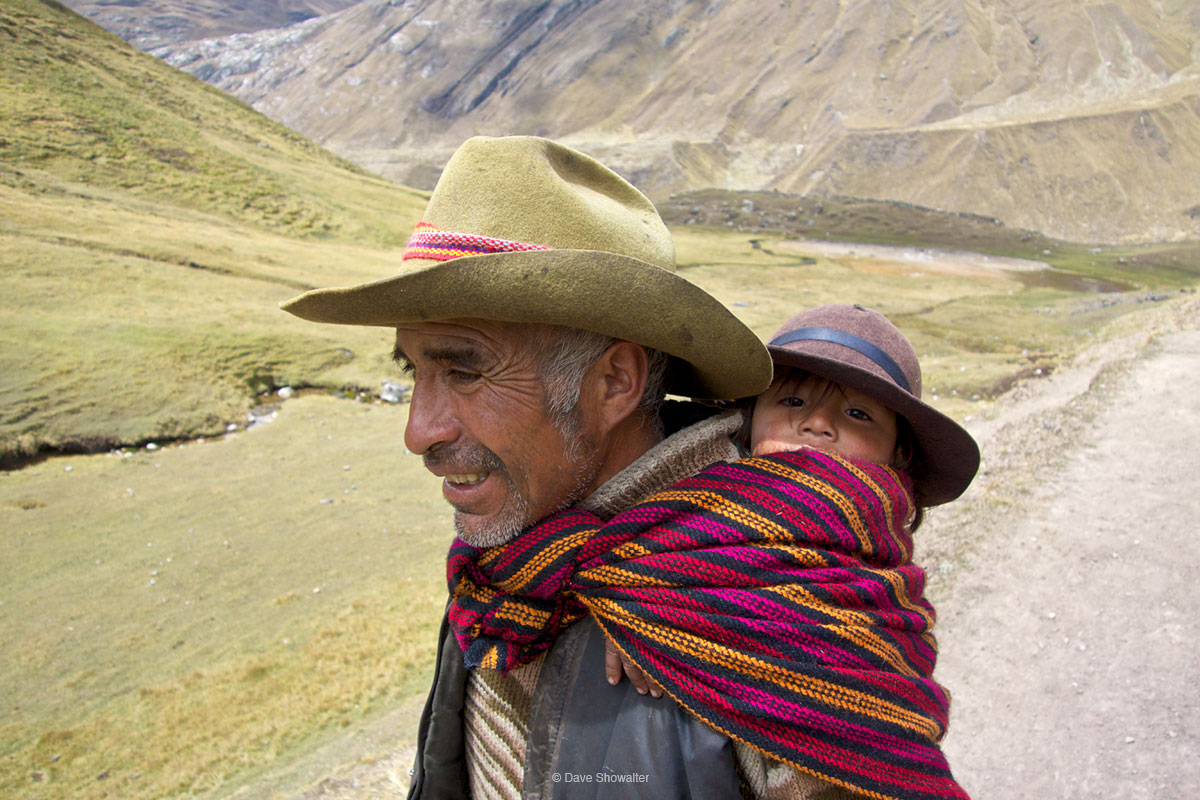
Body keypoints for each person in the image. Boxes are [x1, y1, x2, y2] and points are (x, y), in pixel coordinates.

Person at [282, 135, 783, 800]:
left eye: (464, 370)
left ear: (613, 384)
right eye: (415, 371)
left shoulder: (763, 617)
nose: (418, 432)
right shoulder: (515, 569)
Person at [447, 304, 979, 800]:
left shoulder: (863, 596)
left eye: (859, 414)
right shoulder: (637, 527)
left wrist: (676, 619)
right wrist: (650, 598)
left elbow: (868, 741)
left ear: (898, 453)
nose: (818, 424)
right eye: (792, 401)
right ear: (747, 419)